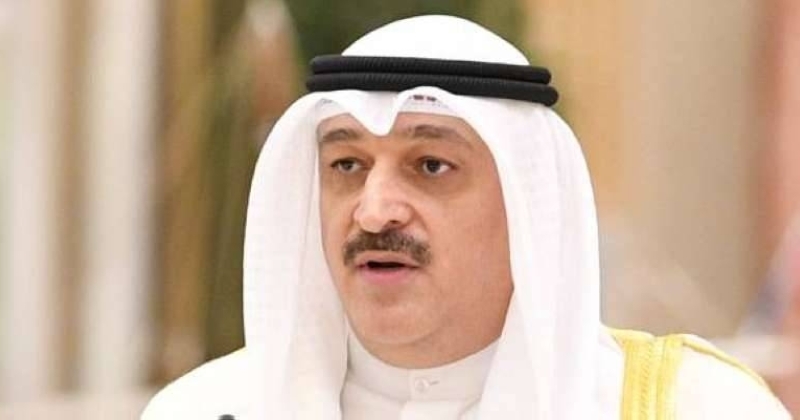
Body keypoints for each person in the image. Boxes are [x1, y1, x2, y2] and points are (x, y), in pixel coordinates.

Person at [142, 15, 790, 420]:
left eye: (431, 166)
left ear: (527, 204)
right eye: (347, 165)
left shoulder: (692, 408)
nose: (374, 209)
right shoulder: (205, 410)